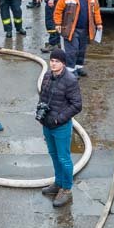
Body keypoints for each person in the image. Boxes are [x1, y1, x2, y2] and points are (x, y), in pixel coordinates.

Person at [38, 48, 83, 208]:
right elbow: (42, 95)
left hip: (60, 126)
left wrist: (59, 119)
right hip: (47, 124)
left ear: (63, 63)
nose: (53, 63)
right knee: (53, 154)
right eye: (52, 60)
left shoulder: (70, 80)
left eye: (57, 61)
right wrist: (40, 112)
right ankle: (58, 183)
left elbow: (77, 105)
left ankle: (66, 189)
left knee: (64, 158)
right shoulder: (48, 76)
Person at [54, 0, 102, 76]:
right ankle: (71, 71)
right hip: (71, 28)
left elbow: (96, 10)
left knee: (81, 50)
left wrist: (98, 23)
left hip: (84, 28)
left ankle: (78, 67)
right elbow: (58, 9)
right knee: (72, 50)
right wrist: (58, 24)